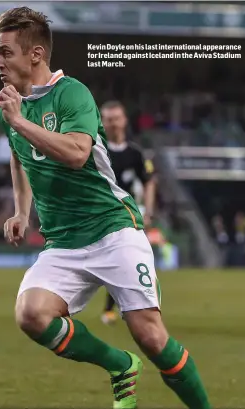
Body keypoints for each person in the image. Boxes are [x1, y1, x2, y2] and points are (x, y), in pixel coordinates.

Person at [0, 7, 211, 409]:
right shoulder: (14, 106)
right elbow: (17, 155)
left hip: (112, 229)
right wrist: (21, 211)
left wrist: (20, 122)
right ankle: (120, 365)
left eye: (5, 52)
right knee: (31, 314)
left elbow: (77, 154)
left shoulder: (72, 93)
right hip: (63, 241)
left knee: (151, 337)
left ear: (36, 54)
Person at [100, 101, 156, 325]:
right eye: (109, 119)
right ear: (102, 122)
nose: (113, 123)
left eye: (117, 118)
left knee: (126, 261)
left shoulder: (136, 153)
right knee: (113, 263)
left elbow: (150, 181)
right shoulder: (96, 150)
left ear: (124, 120)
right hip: (100, 214)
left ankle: (121, 308)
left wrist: (148, 210)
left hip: (127, 216)